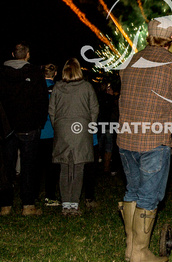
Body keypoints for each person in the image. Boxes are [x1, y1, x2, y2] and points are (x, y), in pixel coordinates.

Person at [117, 17, 172, 262]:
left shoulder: (131, 61)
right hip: (154, 139)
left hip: (126, 136)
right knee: (148, 196)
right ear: (171, 38)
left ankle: (130, 248)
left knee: (132, 190)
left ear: (148, 35)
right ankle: (139, 252)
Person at [0, 42, 48, 216]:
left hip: (5, 128)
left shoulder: (2, 73)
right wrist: (39, 122)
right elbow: (43, 100)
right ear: (27, 55)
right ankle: (28, 205)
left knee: (6, 165)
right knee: (28, 164)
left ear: (13, 54)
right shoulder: (34, 73)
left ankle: (5, 205)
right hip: (29, 126)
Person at [49, 58, 99, 216]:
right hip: (81, 130)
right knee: (78, 168)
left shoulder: (58, 87)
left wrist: (57, 125)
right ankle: (74, 204)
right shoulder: (86, 87)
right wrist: (89, 125)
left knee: (64, 168)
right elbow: (94, 109)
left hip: (62, 130)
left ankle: (65, 204)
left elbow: (52, 110)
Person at [38, 63, 61, 206]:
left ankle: (33, 195)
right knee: (52, 166)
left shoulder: (36, 87)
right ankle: (50, 195)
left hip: (38, 132)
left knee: (35, 165)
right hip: (53, 132)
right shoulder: (58, 89)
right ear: (55, 73)